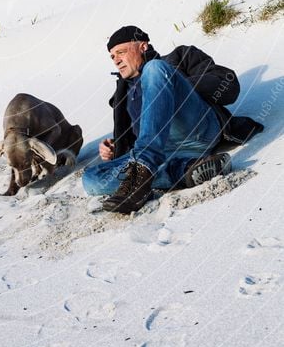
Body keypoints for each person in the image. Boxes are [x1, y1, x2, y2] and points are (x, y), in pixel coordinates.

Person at [82, 25, 263, 214]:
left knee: (154, 68)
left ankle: (142, 175)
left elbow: (228, 84)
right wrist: (116, 147)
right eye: (112, 57)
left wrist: (174, 87)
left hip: (196, 130)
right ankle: (183, 171)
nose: (116, 61)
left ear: (143, 47)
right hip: (164, 153)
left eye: (121, 52)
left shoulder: (178, 58)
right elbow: (143, 134)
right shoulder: (124, 92)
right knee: (92, 178)